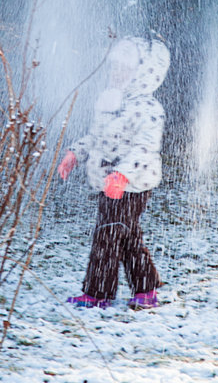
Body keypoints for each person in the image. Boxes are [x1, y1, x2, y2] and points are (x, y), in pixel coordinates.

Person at [56, 36, 170, 310]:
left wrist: (122, 175)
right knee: (127, 237)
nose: (116, 74)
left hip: (132, 185)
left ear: (143, 74)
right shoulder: (109, 101)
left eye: (124, 69)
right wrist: (76, 153)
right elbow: (97, 137)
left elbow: (145, 148)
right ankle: (146, 289)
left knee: (107, 236)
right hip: (109, 184)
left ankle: (98, 293)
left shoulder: (148, 109)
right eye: (114, 67)